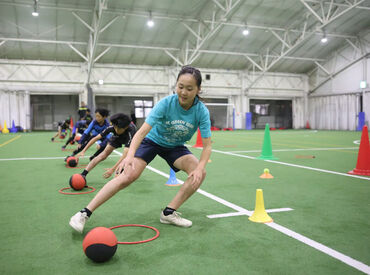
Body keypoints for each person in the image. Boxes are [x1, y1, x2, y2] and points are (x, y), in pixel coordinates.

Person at [69, 66, 212, 233]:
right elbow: (140, 133)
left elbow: (207, 145)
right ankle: (84, 213)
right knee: (128, 175)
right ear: (176, 85)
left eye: (189, 88)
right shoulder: (166, 104)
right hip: (152, 141)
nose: (184, 92)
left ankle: (168, 213)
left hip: (175, 146)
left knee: (199, 173)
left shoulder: (201, 111)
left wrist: (200, 168)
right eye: (180, 87)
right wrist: (130, 156)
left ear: (198, 89)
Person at [76, 113, 137, 179]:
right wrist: (83, 151)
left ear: (125, 127)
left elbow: (125, 155)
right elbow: (95, 138)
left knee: (130, 157)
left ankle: (122, 170)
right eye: (115, 127)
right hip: (117, 138)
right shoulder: (112, 128)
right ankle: (84, 174)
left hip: (132, 139)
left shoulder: (131, 132)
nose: (116, 130)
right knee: (103, 155)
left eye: (118, 128)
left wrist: (113, 169)